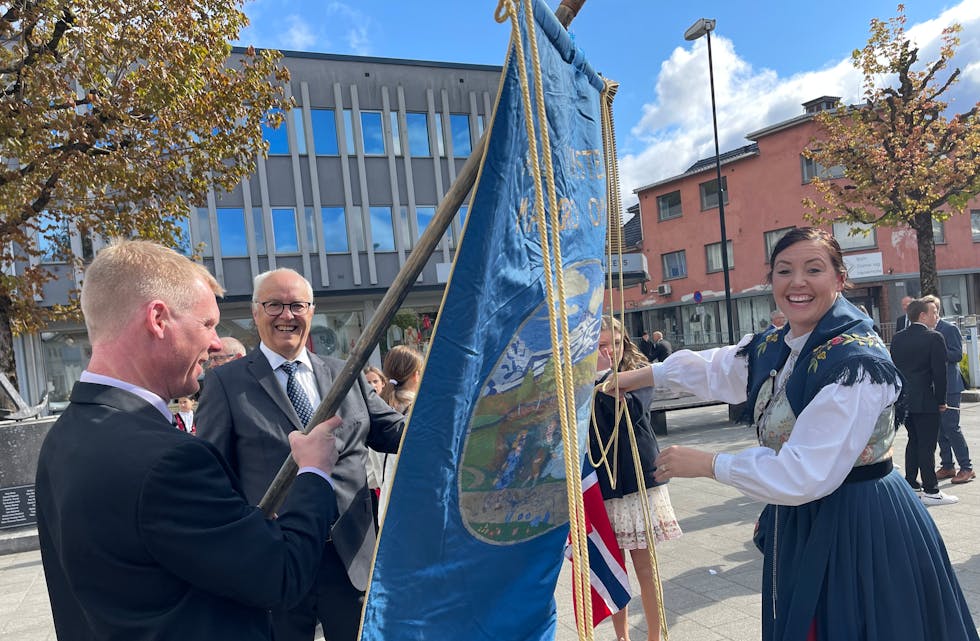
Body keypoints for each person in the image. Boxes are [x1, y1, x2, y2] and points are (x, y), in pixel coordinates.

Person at [603, 228, 978, 641]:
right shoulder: (782, 344)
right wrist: (643, 374)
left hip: (860, 518)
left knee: (859, 621)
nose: (797, 282)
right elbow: (721, 367)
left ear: (839, 279)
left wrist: (711, 463)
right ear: (772, 282)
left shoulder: (856, 362)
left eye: (813, 269)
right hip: (806, 515)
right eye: (784, 271)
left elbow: (804, 471)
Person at [35, 240, 341, 641]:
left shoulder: (63, 437)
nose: (216, 344)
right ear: (158, 319)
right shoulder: (169, 461)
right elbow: (282, 575)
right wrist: (314, 472)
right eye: (208, 324)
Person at [196, 268, 404, 641]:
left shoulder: (347, 373)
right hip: (276, 564)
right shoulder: (225, 383)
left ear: (312, 310)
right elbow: (213, 475)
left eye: (297, 305)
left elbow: (395, 432)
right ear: (255, 312)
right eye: (274, 304)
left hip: (350, 561)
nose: (286, 315)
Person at [591, 316, 681, 641]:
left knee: (645, 568)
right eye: (600, 346)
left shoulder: (637, 369)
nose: (609, 351)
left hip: (636, 478)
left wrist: (606, 382)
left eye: (613, 344)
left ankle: (655, 637)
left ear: (623, 341)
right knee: (614, 571)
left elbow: (633, 409)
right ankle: (622, 637)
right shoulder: (583, 379)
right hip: (602, 483)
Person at [890, 296, 955, 505]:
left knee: (914, 441)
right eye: (933, 312)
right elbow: (940, 374)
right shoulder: (934, 337)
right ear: (922, 315)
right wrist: (941, 400)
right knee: (927, 445)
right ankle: (932, 490)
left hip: (904, 399)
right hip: (926, 399)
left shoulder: (898, 338)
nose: (937, 316)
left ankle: (911, 482)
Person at [376, 345, 423, 519]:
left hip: (386, 513)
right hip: (416, 513)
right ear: (416, 375)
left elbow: (372, 474)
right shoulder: (420, 412)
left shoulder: (378, 409)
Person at [932, 298, 974, 485]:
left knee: (952, 427)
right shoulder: (927, 331)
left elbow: (957, 354)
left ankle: (967, 468)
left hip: (950, 386)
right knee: (940, 429)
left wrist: (936, 353)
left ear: (935, 311)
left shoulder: (949, 329)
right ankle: (948, 465)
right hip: (934, 386)